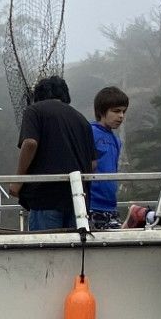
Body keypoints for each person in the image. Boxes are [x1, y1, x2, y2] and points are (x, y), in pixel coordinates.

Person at [14, 76, 97, 231]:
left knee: (45, 249)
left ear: (38, 96)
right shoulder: (82, 120)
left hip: (45, 197)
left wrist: (18, 181)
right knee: (72, 251)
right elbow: (93, 163)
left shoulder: (35, 110)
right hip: (77, 200)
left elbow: (30, 143)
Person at [88, 87, 129, 231]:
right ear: (101, 111)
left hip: (110, 204)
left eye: (123, 111)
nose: (121, 116)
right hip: (91, 204)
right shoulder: (89, 132)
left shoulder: (116, 140)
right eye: (116, 111)